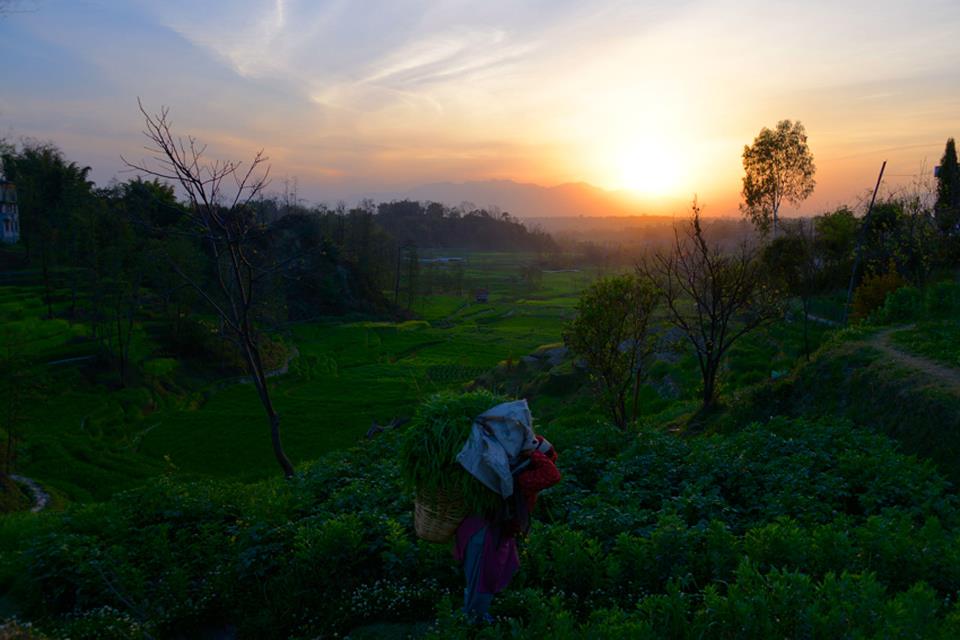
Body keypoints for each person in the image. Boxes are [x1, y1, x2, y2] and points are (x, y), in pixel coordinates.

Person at [453, 436, 561, 623]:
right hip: (485, 530)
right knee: (483, 574)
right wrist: (534, 454)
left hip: (482, 528)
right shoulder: (519, 477)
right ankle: (475, 618)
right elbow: (552, 475)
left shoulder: (511, 471)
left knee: (481, 574)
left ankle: (472, 614)